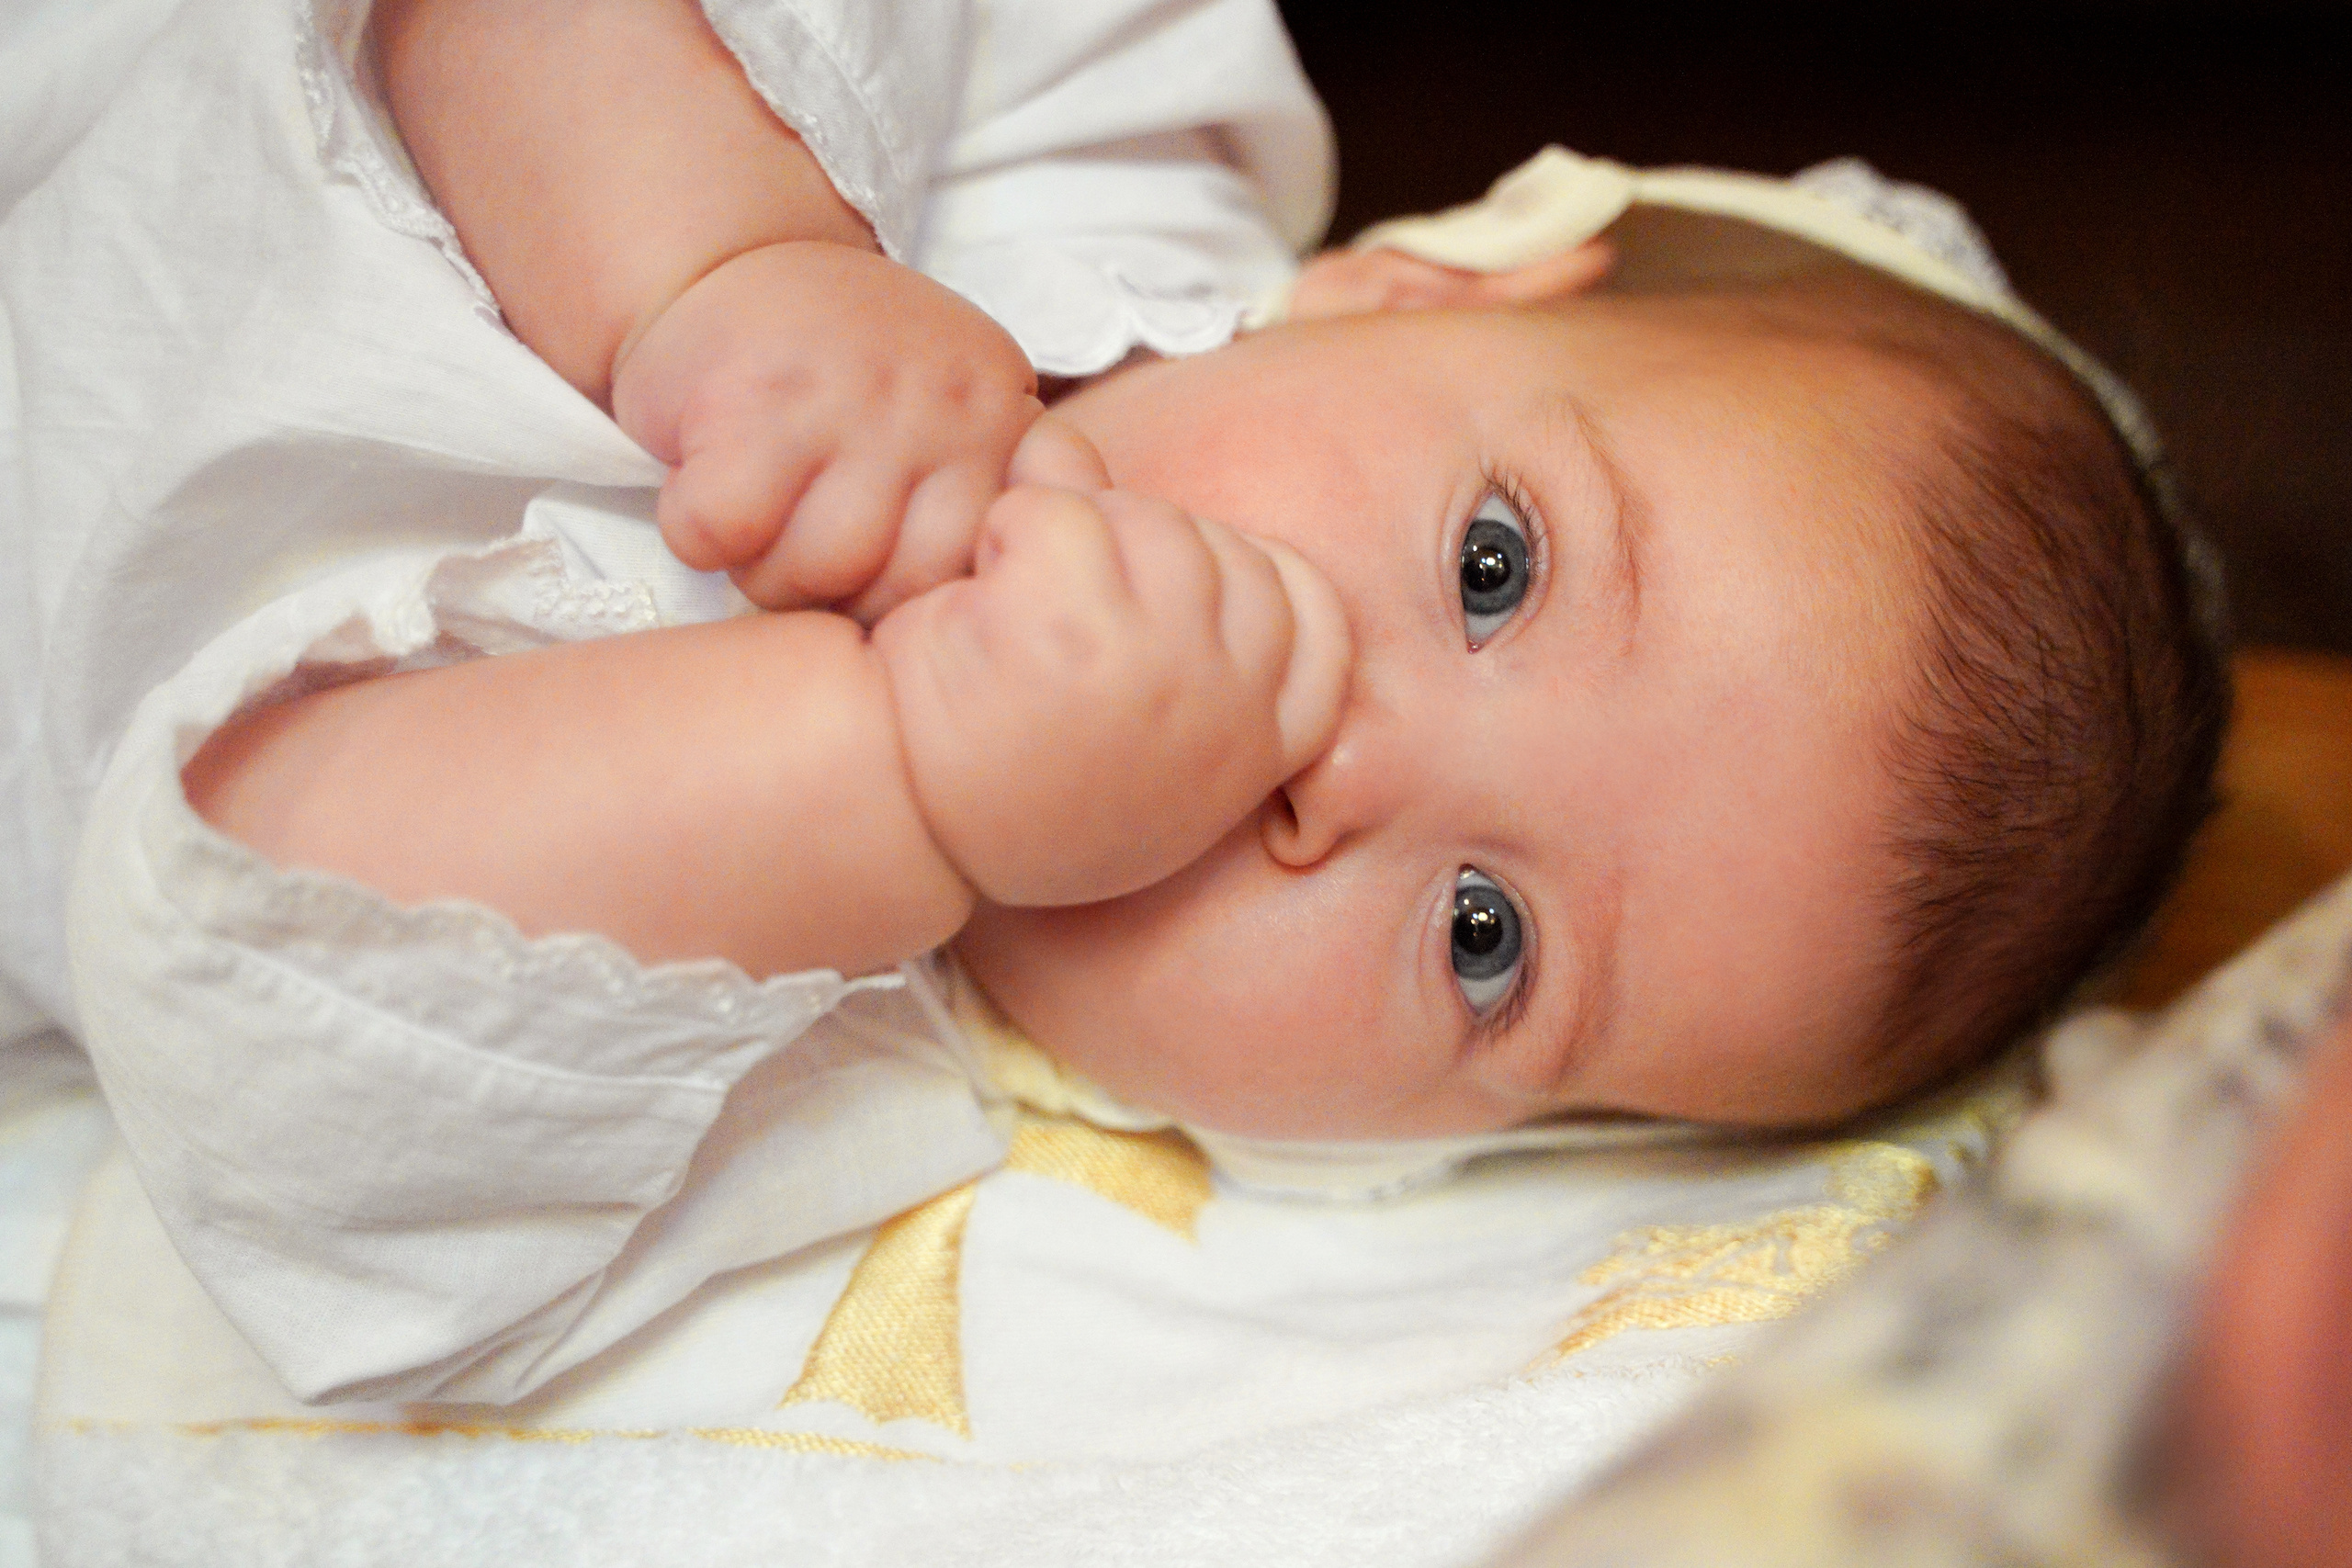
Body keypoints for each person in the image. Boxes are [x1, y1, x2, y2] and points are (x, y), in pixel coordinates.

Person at [8, 0, 2222, 1412]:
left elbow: (231, 920)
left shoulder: (796, 1100)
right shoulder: (1097, 118)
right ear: (1416, 287)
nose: (1345, 763)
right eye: (1492, 566)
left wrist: (904, 780)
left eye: (1483, 937)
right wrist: (728, 263)